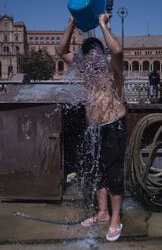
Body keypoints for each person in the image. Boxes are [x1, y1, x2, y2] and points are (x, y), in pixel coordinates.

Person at [56, 14, 126, 242]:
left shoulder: (112, 67)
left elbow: (116, 51)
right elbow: (60, 50)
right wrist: (71, 24)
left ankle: (116, 219)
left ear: (100, 55)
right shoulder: (85, 69)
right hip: (93, 128)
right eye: (89, 57)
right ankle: (102, 213)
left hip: (113, 125)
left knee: (114, 172)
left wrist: (103, 25)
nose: (93, 61)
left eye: (96, 56)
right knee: (97, 172)